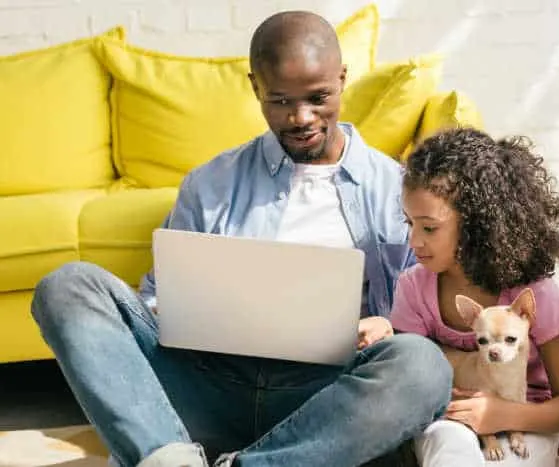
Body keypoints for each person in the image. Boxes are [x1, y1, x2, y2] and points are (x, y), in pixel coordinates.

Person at [30, 10, 452, 467]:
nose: (301, 117)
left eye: (318, 97)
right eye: (280, 101)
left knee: (422, 366)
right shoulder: (212, 184)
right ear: (255, 88)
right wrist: (178, 309)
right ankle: (169, 458)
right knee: (68, 287)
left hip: (324, 403)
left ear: (342, 80)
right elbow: (156, 300)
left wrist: (389, 325)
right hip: (207, 386)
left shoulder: (396, 189)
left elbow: (427, 307)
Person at [390, 127, 559, 466]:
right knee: (449, 451)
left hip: (527, 422)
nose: (413, 241)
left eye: (429, 228)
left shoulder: (533, 292)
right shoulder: (413, 288)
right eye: (409, 224)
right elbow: (409, 383)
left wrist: (503, 415)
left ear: (476, 224)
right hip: (447, 419)